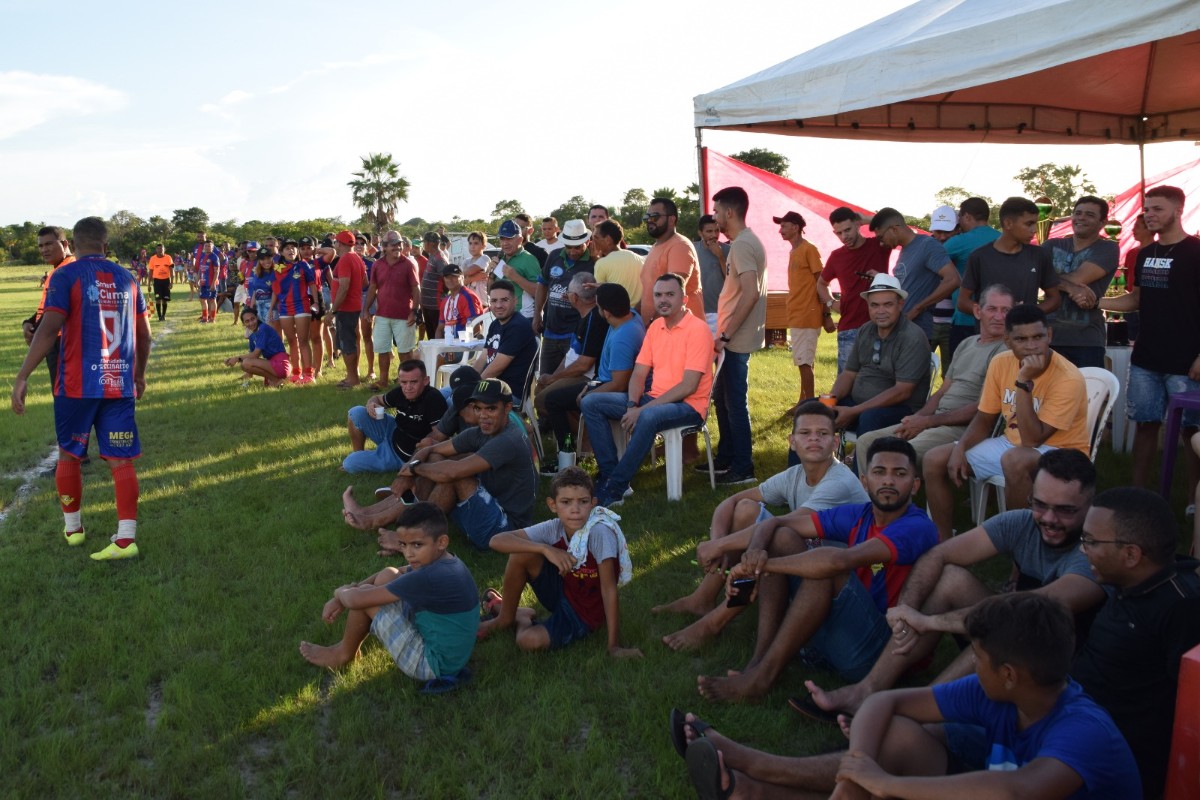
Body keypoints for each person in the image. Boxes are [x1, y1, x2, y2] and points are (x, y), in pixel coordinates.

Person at [674, 593, 1140, 800]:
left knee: (893, 784)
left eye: (978, 657)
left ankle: (756, 782)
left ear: (1012, 674)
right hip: (980, 775)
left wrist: (885, 783)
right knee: (893, 737)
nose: (972, 666)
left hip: (1006, 792)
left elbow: (1014, 792)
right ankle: (757, 780)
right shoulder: (999, 692)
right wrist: (858, 777)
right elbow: (885, 704)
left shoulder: (1083, 732)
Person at [802, 449, 1104, 719]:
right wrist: (907, 609)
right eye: (1040, 504)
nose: (1049, 518)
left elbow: (1024, 612)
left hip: (1060, 662)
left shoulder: (1094, 553)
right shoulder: (1023, 522)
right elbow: (939, 553)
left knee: (999, 633)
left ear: (1090, 505)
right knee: (950, 579)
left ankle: (918, 711)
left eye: (1065, 510)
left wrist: (932, 622)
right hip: (1017, 625)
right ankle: (867, 689)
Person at [695, 437, 938, 702]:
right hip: (845, 631)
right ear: (865, 481)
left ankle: (763, 677)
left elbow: (839, 563)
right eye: (880, 472)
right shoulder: (860, 514)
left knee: (823, 571)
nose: (888, 481)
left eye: (899, 474)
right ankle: (758, 660)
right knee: (782, 538)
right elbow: (776, 523)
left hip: (881, 653)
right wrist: (741, 550)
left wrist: (758, 567)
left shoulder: (917, 526)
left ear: (915, 485)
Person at [655, 401, 868, 650]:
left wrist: (720, 544)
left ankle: (715, 622)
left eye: (822, 434)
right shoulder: (795, 474)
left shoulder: (839, 481)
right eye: (805, 433)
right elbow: (732, 501)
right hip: (809, 563)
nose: (814, 440)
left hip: (842, 582)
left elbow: (784, 524)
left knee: (777, 537)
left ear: (835, 443)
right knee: (746, 508)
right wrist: (718, 543)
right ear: (792, 441)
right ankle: (702, 598)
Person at [11, 216, 151, 561]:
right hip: (118, 384)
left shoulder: (66, 275)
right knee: (121, 461)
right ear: (106, 244)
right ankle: (126, 539)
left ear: (73, 243)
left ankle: (73, 529)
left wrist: (22, 375)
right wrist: (140, 374)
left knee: (70, 454)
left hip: (76, 385)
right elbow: (144, 333)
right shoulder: (127, 277)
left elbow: (48, 329)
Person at [923, 303, 1089, 540]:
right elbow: (984, 418)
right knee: (935, 458)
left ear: (1049, 335)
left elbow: (1033, 440)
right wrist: (960, 448)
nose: (1032, 345)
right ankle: (942, 540)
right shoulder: (1001, 362)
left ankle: (1020, 543)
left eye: (1038, 337)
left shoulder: (1068, 377)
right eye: (1021, 339)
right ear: (1008, 341)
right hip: (1011, 444)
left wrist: (1023, 382)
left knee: (1015, 459)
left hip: (1062, 451)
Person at [1074, 487, 1200, 798]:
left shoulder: (1180, 608)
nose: (1082, 549)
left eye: (1090, 541)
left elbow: (1186, 712)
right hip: (1070, 717)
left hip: (1104, 757)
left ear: (1131, 554)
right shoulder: (1127, 582)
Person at [299, 503, 478, 693]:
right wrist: (351, 591)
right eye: (403, 544)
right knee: (387, 575)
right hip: (449, 654)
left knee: (366, 598)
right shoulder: (446, 562)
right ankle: (348, 648)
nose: (408, 553)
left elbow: (356, 601)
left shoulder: (427, 577)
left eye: (417, 545)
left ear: (441, 542)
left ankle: (343, 654)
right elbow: (396, 572)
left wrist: (339, 593)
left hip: (431, 664)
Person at [342, 379, 536, 551]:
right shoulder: (482, 431)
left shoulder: (508, 440)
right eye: (478, 408)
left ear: (508, 408)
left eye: (491, 408)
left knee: (451, 476)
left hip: (504, 529)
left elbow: (451, 473)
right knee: (435, 459)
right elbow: (430, 449)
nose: (483, 415)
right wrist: (407, 473)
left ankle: (410, 539)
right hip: (487, 502)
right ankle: (372, 514)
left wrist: (414, 469)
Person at [475, 467, 643, 657]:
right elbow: (496, 541)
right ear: (552, 505)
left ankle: (522, 618)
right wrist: (546, 549)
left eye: (583, 502)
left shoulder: (599, 533)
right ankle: (504, 619)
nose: (575, 510)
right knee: (520, 553)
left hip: (584, 614)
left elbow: (609, 589)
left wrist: (614, 646)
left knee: (527, 641)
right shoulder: (554, 527)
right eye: (566, 502)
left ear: (593, 503)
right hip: (563, 592)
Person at [580, 273, 714, 508]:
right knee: (591, 402)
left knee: (649, 416)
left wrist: (641, 410)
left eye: (670, 295)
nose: (663, 300)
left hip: (688, 405)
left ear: (683, 298)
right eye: (658, 295)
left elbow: (688, 386)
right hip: (651, 399)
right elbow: (639, 373)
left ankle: (614, 488)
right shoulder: (655, 327)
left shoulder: (698, 330)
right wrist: (633, 405)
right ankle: (610, 475)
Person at [1099, 185, 1200, 492]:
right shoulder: (1145, 254)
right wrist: (1095, 301)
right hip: (1145, 359)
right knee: (1144, 426)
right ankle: (1138, 496)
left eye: (1157, 209)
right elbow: (1136, 300)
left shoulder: (1196, 252)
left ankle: (1194, 503)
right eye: (1146, 209)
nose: (1149, 214)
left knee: (1191, 432)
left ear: (1178, 210)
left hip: (1187, 362)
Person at [855, 284, 1013, 471]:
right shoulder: (967, 344)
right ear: (978, 311)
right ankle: (868, 497)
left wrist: (928, 422)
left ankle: (897, 498)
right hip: (937, 419)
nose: (999, 317)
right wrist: (917, 418)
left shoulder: (1008, 352)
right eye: (992, 309)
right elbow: (942, 392)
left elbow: (985, 409)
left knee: (899, 453)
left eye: (1006, 311)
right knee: (866, 441)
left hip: (966, 427)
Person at [542, 283, 644, 470]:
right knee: (559, 398)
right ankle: (578, 448)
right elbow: (618, 296)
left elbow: (619, 384)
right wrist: (601, 287)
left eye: (597, 305)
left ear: (606, 313)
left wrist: (589, 393)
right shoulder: (630, 315)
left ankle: (567, 457)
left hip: (611, 387)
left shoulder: (623, 338)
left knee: (552, 401)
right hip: (602, 379)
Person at [828, 273, 932, 439]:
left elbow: (902, 392)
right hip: (858, 406)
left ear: (900, 304)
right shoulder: (865, 330)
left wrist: (854, 411)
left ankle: (862, 463)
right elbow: (848, 373)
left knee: (870, 418)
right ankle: (803, 466)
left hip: (901, 410)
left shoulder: (912, 337)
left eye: (888, 305)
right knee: (810, 409)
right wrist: (830, 401)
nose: (880, 311)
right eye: (874, 305)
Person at [711, 186, 767, 485]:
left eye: (717, 211)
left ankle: (743, 467)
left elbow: (751, 293)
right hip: (731, 336)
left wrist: (727, 335)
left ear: (729, 212)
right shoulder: (741, 242)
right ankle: (728, 456)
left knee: (734, 402)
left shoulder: (743, 244)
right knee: (723, 400)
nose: (715, 216)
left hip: (735, 339)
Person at [535, 273, 609, 470]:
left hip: (591, 378)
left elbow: (584, 365)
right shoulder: (585, 316)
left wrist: (554, 378)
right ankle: (580, 441)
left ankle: (572, 451)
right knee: (541, 391)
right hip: (581, 374)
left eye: (567, 293)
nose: (566, 296)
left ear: (574, 298)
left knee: (546, 400)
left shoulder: (595, 319)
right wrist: (550, 378)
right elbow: (572, 354)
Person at [1044, 195, 1120, 369]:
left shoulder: (1107, 248)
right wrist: (1070, 287)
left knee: (1087, 394)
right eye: (1077, 213)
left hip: (1087, 340)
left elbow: (1079, 278)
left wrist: (1051, 280)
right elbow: (1034, 276)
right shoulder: (1051, 245)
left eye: (1089, 215)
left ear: (1102, 223)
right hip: (1047, 337)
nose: (1081, 218)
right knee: (1045, 395)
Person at [958, 196, 1062, 317]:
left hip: (1025, 333)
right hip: (991, 335)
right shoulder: (979, 256)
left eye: (1035, 223)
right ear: (1008, 223)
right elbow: (963, 302)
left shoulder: (1039, 255)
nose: (1034, 230)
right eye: (1029, 224)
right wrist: (993, 315)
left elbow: (1054, 299)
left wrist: (1028, 314)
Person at [869, 206, 960, 340]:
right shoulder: (905, 250)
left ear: (894, 229)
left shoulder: (928, 245)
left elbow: (953, 279)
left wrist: (918, 308)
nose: (881, 244)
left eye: (881, 238)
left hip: (918, 330)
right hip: (901, 328)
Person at [343, 359, 447, 474]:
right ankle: (359, 453)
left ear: (426, 380)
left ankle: (363, 458)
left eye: (413, 382)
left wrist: (416, 459)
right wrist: (371, 404)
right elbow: (378, 398)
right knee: (356, 412)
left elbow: (439, 436)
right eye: (404, 382)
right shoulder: (401, 392)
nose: (408, 387)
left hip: (402, 455)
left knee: (349, 463)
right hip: (394, 431)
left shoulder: (433, 399)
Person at [819, 207, 890, 373]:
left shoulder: (879, 245)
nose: (844, 237)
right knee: (847, 383)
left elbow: (893, 224)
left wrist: (866, 219)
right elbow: (821, 283)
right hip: (849, 329)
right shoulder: (836, 256)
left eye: (848, 230)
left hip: (881, 326)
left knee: (879, 381)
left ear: (858, 225)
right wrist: (831, 302)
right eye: (839, 233)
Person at [776, 210, 829, 409]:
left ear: (796, 228)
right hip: (797, 314)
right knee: (804, 360)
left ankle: (809, 405)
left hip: (808, 314)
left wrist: (826, 314)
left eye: (783, 226)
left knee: (804, 362)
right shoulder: (794, 251)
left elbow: (821, 282)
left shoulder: (809, 249)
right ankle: (802, 400)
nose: (780, 230)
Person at [534, 219, 594, 373]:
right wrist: (537, 315)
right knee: (545, 379)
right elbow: (542, 285)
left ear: (587, 241)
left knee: (566, 382)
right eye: (569, 247)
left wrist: (578, 301)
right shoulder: (554, 255)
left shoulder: (595, 262)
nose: (573, 252)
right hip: (550, 330)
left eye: (577, 247)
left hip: (575, 333)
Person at [945, 197, 1001, 357]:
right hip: (998, 319)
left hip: (965, 319)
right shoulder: (1002, 238)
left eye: (960, 218)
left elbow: (932, 261)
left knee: (961, 371)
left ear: (967, 217)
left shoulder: (959, 241)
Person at [364, 231, 420, 390]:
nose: (398, 247)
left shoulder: (408, 264)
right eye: (393, 244)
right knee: (382, 349)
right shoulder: (377, 264)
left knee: (405, 352)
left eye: (399, 244)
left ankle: (408, 382)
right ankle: (383, 381)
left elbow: (416, 289)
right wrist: (366, 309)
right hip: (382, 315)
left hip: (404, 315)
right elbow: (372, 288)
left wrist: (414, 311)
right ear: (384, 247)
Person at [22, 226, 75, 386]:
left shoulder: (67, 270)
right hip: (54, 338)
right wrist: (29, 322)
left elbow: (57, 311)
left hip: (62, 340)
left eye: (49, 244)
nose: (44, 249)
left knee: (63, 395)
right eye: (41, 246)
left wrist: (36, 330)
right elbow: (51, 306)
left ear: (65, 244)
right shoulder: (58, 269)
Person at [472, 279, 538, 405]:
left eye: (504, 300)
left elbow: (496, 369)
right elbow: (483, 358)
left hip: (507, 392)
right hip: (490, 385)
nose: (498, 305)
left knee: (457, 402)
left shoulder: (518, 326)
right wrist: (469, 380)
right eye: (494, 300)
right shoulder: (495, 324)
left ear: (515, 301)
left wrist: (472, 387)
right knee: (443, 394)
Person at [639, 197, 704, 321]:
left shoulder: (679, 246)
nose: (649, 221)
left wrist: (655, 323)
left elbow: (672, 292)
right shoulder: (655, 247)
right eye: (647, 217)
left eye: (654, 217)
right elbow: (647, 290)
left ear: (671, 219)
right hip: (660, 329)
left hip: (681, 331)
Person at [270, 239, 318, 384]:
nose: (291, 250)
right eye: (287, 248)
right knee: (291, 341)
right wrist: (272, 308)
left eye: (293, 248)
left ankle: (309, 374)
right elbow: (275, 289)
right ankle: (296, 372)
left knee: (303, 341)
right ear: (282, 252)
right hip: (284, 307)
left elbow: (312, 284)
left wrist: (315, 302)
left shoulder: (303, 265)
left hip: (302, 305)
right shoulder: (277, 268)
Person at [329, 230, 367, 388]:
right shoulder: (357, 258)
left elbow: (343, 288)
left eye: (336, 242)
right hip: (354, 305)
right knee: (351, 341)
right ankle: (353, 375)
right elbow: (365, 282)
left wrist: (333, 311)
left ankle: (352, 378)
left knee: (347, 343)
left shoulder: (345, 259)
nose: (334, 245)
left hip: (346, 308)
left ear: (339, 243)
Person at [224, 306, 290, 388]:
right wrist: (233, 360)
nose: (251, 323)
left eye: (252, 319)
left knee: (246, 363)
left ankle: (276, 381)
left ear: (257, 317)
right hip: (271, 364)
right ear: (244, 324)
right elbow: (253, 356)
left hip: (281, 364)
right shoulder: (252, 336)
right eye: (247, 321)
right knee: (245, 364)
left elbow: (254, 355)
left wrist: (237, 359)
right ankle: (275, 380)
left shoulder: (263, 329)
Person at [491, 219, 541, 319]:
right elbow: (491, 291)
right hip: (502, 316)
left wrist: (516, 277)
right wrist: (491, 275)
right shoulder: (501, 259)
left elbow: (539, 292)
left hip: (523, 317)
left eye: (509, 239)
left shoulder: (529, 259)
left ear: (520, 239)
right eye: (502, 239)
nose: (505, 243)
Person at [592, 219, 644, 307]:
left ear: (608, 240)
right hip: (638, 315)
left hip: (617, 316)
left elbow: (600, 298)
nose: (593, 241)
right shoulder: (638, 258)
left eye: (596, 237)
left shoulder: (602, 264)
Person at [694, 213, 729, 336]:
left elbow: (731, 279)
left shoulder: (727, 250)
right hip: (695, 310)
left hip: (718, 311)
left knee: (716, 351)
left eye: (717, 230)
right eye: (709, 231)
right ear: (700, 233)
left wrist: (720, 257)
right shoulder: (692, 250)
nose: (714, 235)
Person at [435, 264, 484, 343]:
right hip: (449, 345)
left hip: (466, 346)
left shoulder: (468, 297)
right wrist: (438, 348)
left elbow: (475, 327)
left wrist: (456, 346)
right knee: (419, 354)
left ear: (462, 277)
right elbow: (439, 329)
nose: (450, 280)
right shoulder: (445, 301)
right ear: (444, 279)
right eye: (447, 277)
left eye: (454, 277)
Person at [416, 232, 444, 340]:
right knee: (431, 336)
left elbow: (445, 278)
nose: (423, 245)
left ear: (430, 243)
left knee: (436, 336)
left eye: (424, 243)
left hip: (435, 305)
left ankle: (438, 357)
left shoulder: (439, 258)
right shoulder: (432, 256)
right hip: (428, 303)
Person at [460, 230, 492, 304]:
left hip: (482, 302)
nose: (472, 246)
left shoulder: (484, 258)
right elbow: (459, 282)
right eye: (470, 243)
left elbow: (470, 271)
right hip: (467, 302)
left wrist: (464, 277)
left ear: (484, 245)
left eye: (476, 243)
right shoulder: (466, 261)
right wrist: (472, 278)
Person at [195, 239, 222, 323]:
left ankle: (212, 319)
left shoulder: (214, 257)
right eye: (206, 246)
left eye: (209, 246)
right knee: (202, 299)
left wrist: (213, 283)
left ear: (212, 247)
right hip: (203, 282)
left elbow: (217, 271)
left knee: (212, 300)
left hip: (211, 282)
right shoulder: (202, 256)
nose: (207, 247)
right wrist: (198, 279)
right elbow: (200, 269)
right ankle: (205, 317)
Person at [147, 244, 174, 322]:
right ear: (156, 250)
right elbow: (150, 272)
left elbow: (171, 271)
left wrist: (171, 282)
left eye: (161, 248)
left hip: (166, 281)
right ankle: (159, 316)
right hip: (157, 281)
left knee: (165, 300)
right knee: (158, 299)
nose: (160, 250)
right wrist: (149, 284)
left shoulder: (168, 258)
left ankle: (163, 315)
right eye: (158, 248)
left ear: (164, 249)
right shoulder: (153, 258)